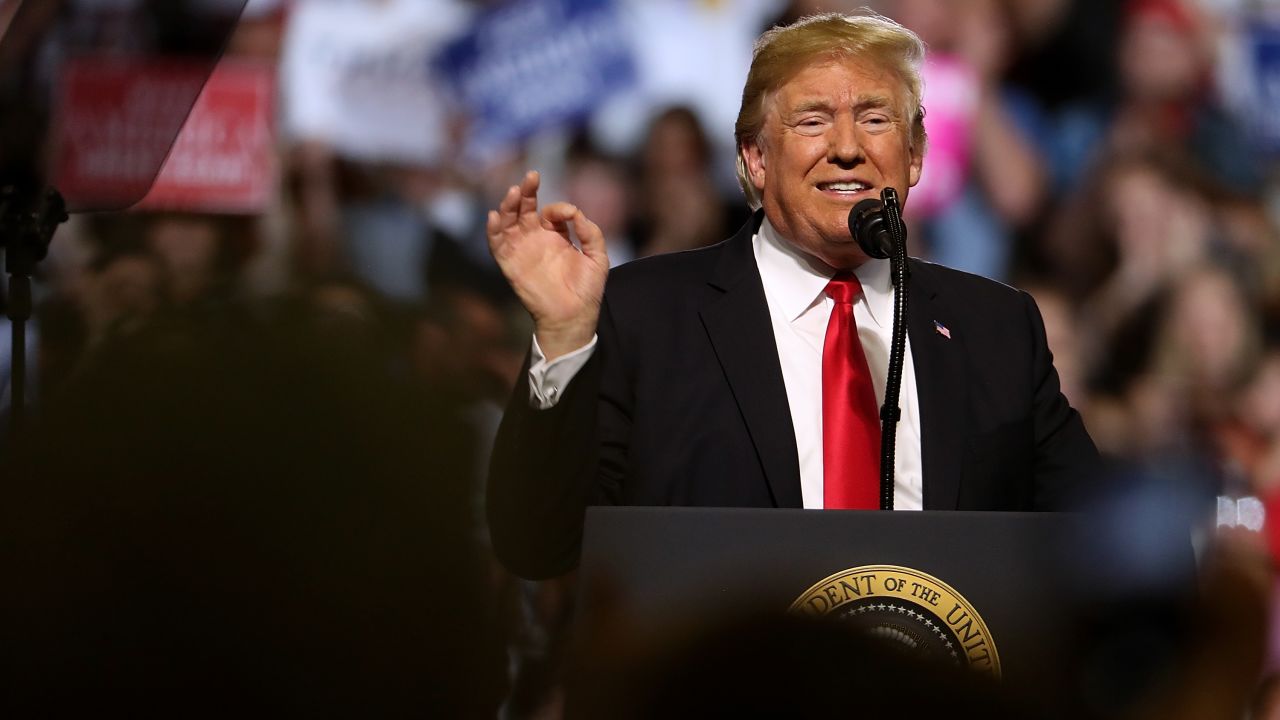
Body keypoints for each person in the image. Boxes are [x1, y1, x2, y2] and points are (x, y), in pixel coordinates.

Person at [485, 12, 1098, 580]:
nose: (848, 147)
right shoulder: (647, 314)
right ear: (755, 157)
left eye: (876, 118)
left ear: (914, 157)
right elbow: (537, 542)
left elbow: (1097, 536)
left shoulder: (995, 327)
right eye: (812, 120)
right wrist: (564, 338)